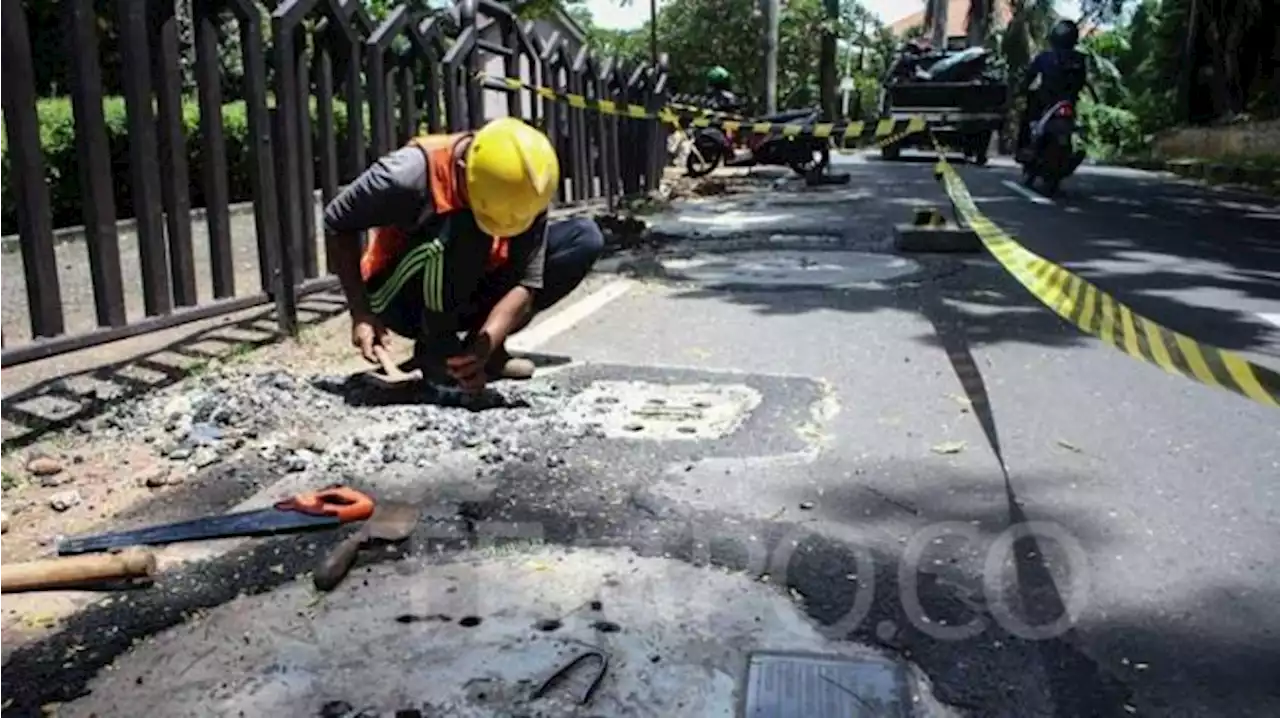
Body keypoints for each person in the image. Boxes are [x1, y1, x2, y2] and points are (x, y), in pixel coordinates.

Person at [322, 117, 604, 393]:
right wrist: (361, 311)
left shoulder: (525, 188)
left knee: (582, 238)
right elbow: (337, 221)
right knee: (467, 227)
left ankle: (473, 356)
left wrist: (482, 348)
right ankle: (436, 348)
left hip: (469, 282)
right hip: (401, 297)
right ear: (462, 168)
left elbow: (526, 282)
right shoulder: (406, 175)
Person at [1016, 19, 1089, 161]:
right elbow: (1081, 81)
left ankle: (1024, 149)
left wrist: (1021, 90)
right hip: (1069, 101)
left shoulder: (1045, 57)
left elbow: (1029, 77)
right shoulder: (1080, 58)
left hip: (1046, 100)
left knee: (1027, 117)